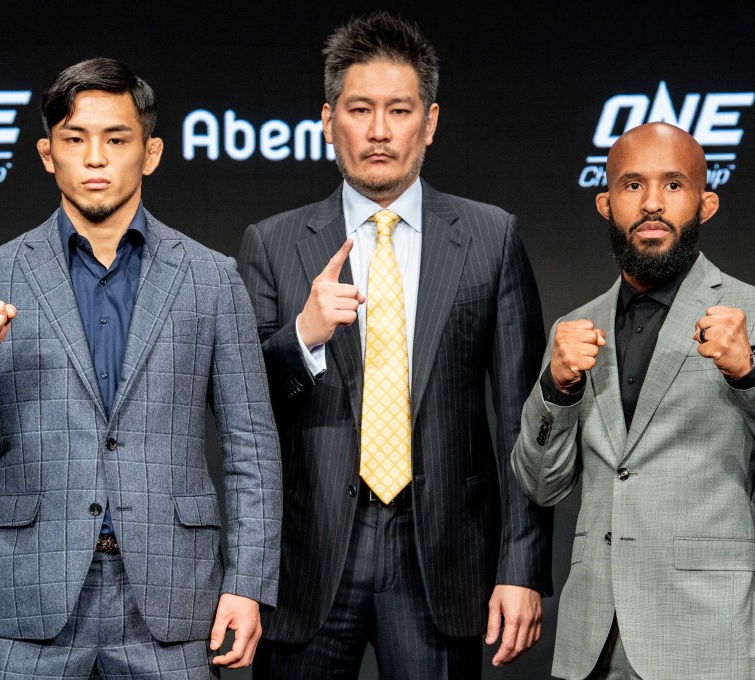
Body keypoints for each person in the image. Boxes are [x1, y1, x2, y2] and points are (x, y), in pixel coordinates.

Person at [0, 57, 282, 679]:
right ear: (47, 153)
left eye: (116, 139)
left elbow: (252, 446)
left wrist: (248, 583)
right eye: (75, 139)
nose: (96, 158)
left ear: (152, 151)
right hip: (28, 599)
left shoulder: (211, 278)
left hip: (170, 602)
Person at [238, 12, 550, 679]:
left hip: (442, 556)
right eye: (360, 109)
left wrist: (521, 565)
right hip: (312, 557)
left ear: (429, 122)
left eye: (399, 110)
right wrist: (302, 336)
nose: (379, 131)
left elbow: (524, 418)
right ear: (329, 121)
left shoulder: (491, 238)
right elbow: (241, 404)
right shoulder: (273, 243)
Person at [512, 121, 755, 680]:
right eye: (632, 185)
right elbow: (541, 483)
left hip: (709, 639)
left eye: (673, 185)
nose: (651, 204)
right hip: (593, 645)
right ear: (605, 202)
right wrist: (556, 388)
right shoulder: (574, 327)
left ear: (705, 203)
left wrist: (751, 372)